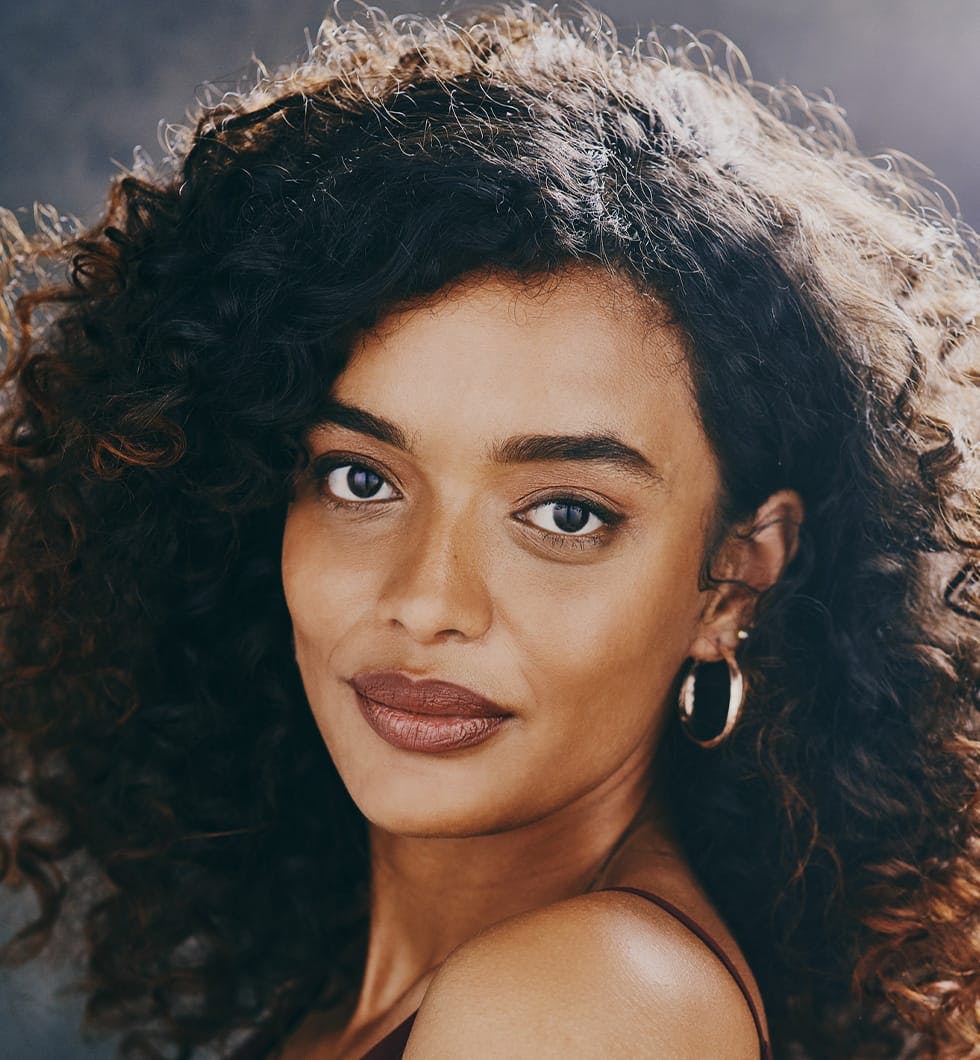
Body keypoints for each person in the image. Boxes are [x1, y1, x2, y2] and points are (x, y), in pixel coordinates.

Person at [0, 3, 977, 1057]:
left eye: (565, 513)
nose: (426, 598)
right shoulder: (392, 988)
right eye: (360, 479)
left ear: (730, 581)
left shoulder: (586, 1002)